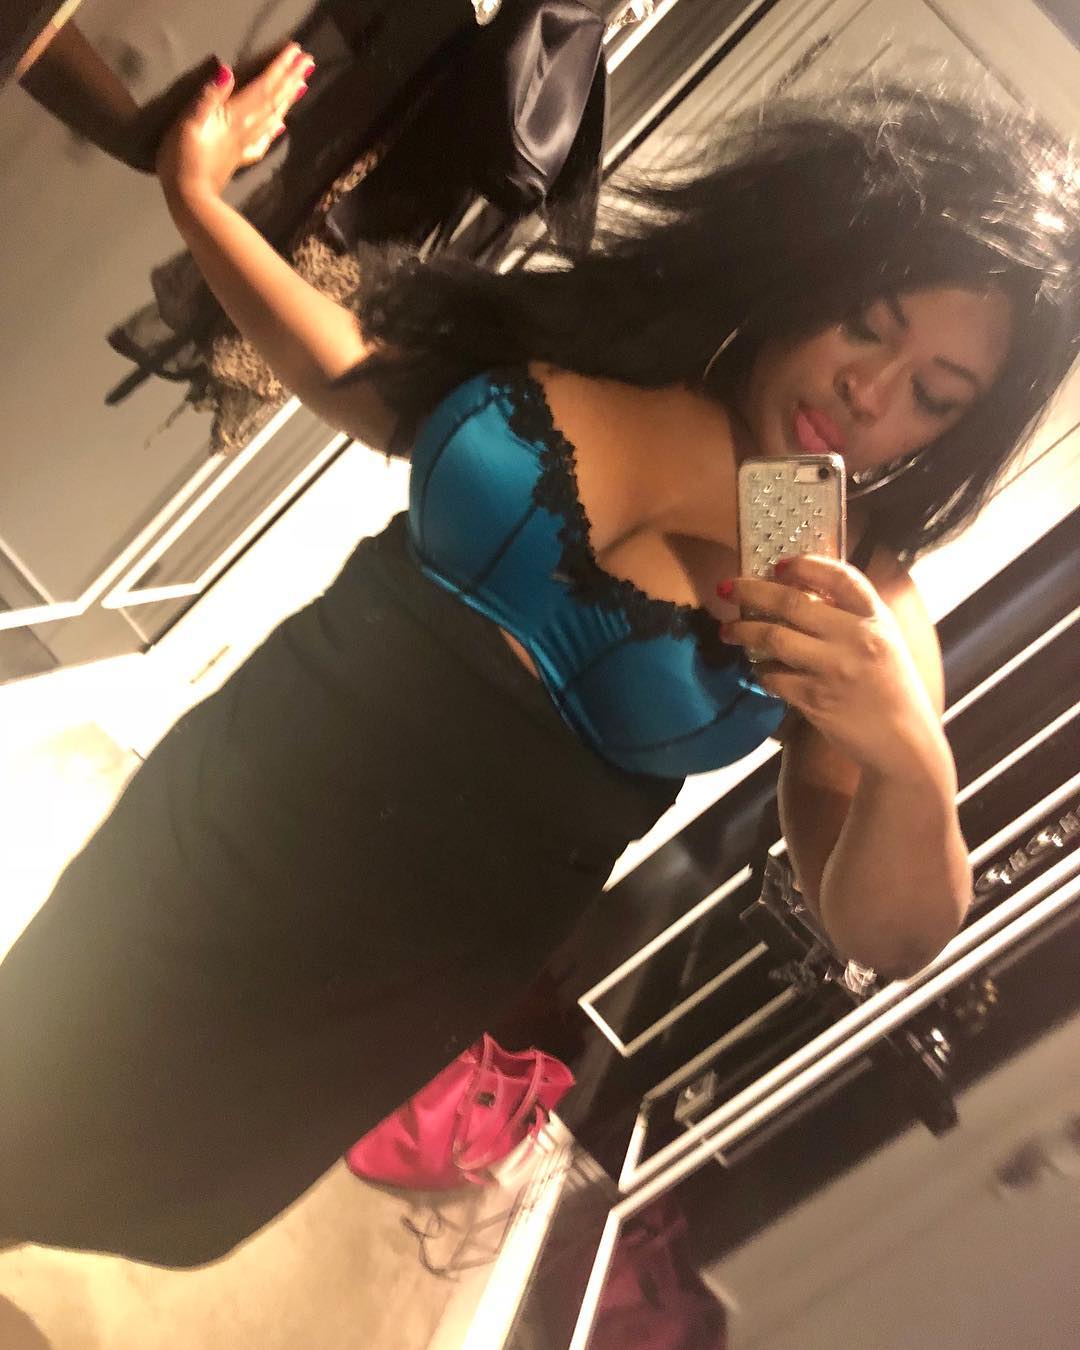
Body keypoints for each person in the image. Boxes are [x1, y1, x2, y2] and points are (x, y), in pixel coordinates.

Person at [1, 42, 1077, 1267]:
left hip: (407, 961)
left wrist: (909, 761)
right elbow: (347, 371)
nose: (871, 393)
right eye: (867, 323)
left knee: (138, 1165)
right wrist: (195, 195)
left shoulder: (852, 587)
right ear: (816, 263)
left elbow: (888, 932)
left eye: (935, 394)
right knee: (43, 1046)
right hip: (250, 790)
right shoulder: (627, 342)